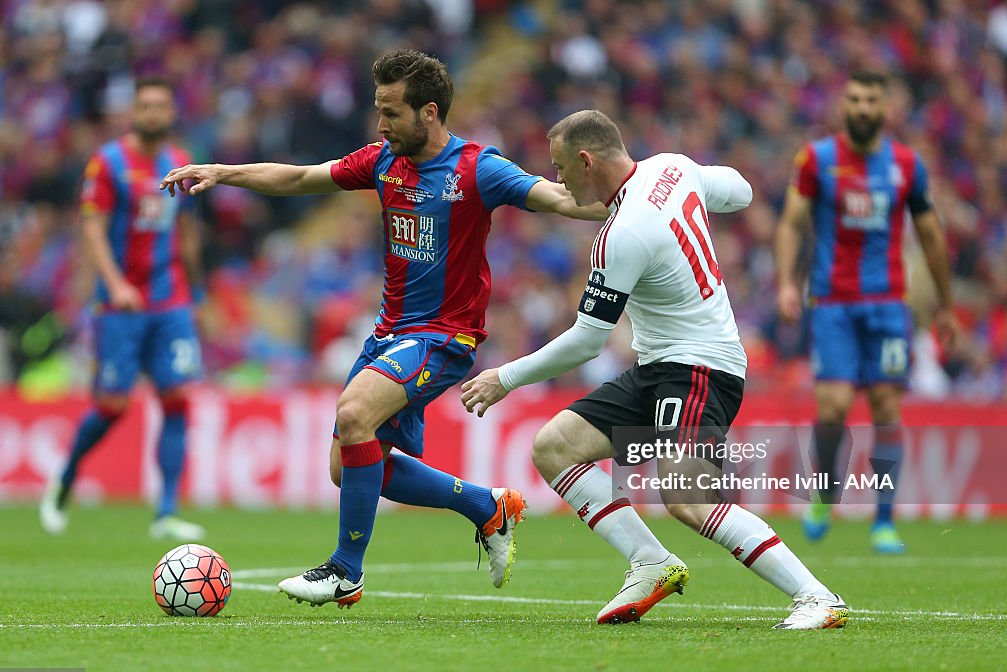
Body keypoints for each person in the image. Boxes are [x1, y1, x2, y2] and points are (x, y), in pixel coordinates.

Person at [160, 50, 607, 607]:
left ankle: (346, 570)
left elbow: (562, 198)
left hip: (445, 337)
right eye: (378, 110)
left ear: (429, 112)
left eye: (391, 113)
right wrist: (223, 173)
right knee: (345, 466)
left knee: (352, 415)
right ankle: (486, 507)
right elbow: (300, 177)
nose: (380, 124)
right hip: (390, 334)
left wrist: (636, 192)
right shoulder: (381, 161)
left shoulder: (478, 169)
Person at [462, 109, 848, 630]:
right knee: (555, 447)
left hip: (698, 367)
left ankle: (817, 597)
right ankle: (650, 562)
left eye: (560, 168)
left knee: (688, 499)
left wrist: (503, 377)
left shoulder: (620, 234)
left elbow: (587, 342)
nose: (559, 181)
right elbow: (741, 192)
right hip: (663, 364)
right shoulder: (671, 167)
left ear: (586, 159)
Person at [774, 70, 957, 554]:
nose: (861, 108)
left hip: (888, 306)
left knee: (886, 410)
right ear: (843, 105)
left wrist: (945, 305)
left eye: (870, 100)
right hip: (832, 303)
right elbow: (792, 224)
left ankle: (882, 521)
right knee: (832, 409)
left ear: (884, 107)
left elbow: (933, 235)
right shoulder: (817, 159)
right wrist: (787, 283)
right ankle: (824, 493)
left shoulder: (905, 164)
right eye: (853, 99)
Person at [39, 76, 206, 541]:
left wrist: (196, 288)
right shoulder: (108, 163)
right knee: (112, 405)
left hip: (171, 299)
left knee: (177, 399)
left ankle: (167, 510)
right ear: (134, 111)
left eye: (161, 106)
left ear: (171, 112)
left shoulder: (180, 162)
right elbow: (91, 229)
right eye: (145, 106)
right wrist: (114, 284)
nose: (153, 114)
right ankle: (66, 477)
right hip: (122, 304)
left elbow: (187, 228)